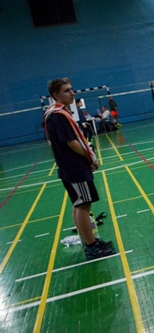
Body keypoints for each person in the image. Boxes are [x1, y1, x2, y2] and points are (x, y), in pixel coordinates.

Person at [44, 78, 116, 260]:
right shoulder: (59, 116)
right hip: (74, 168)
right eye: (67, 90)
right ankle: (91, 247)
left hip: (70, 168)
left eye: (71, 89)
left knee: (80, 204)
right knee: (83, 206)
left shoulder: (56, 114)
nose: (72, 93)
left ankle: (90, 241)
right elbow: (72, 143)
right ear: (56, 95)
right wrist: (90, 156)